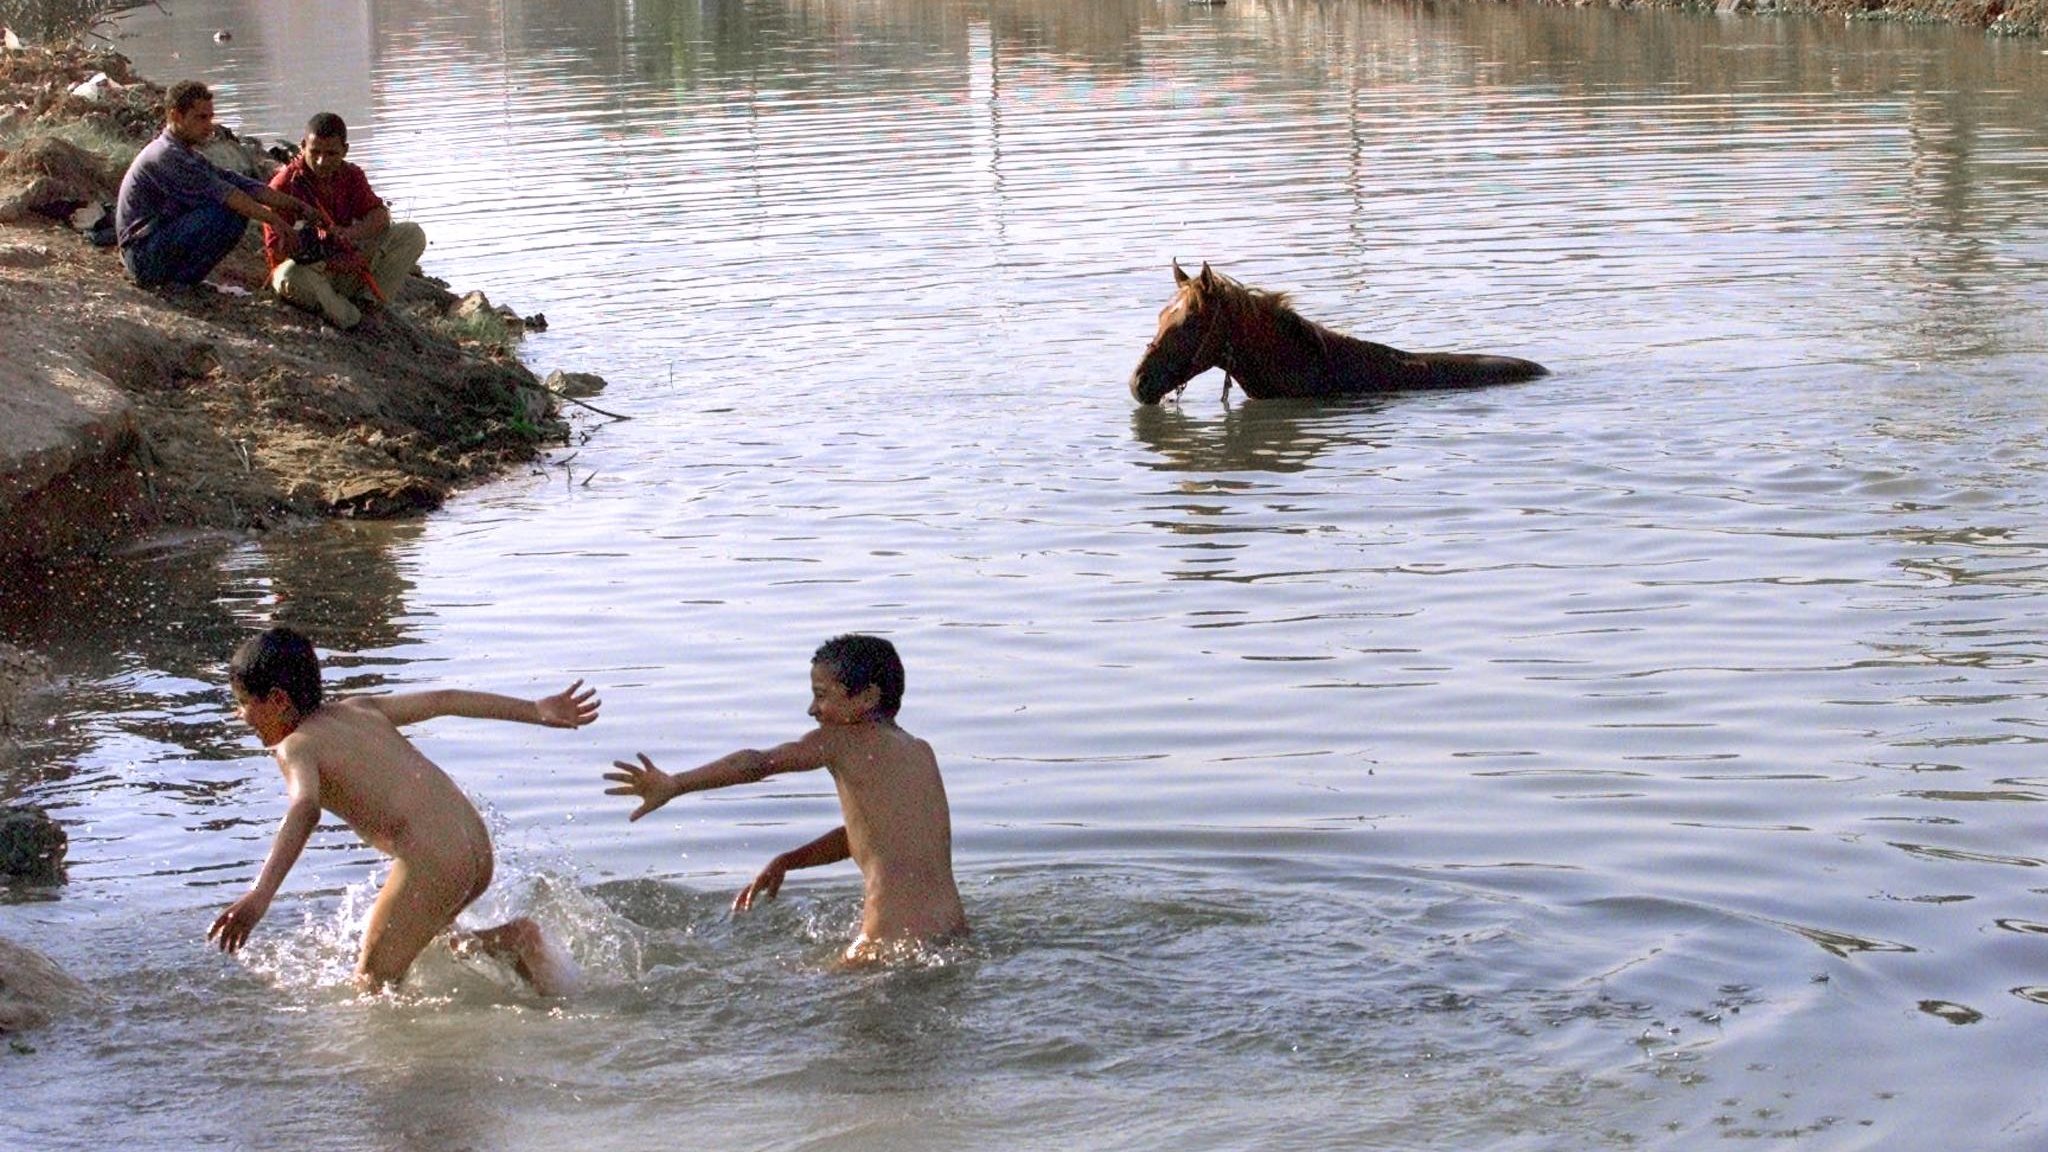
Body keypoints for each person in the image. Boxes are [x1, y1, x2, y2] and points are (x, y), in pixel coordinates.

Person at [209, 626, 599, 996]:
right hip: (474, 845)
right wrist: (534, 708)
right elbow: (445, 701)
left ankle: (412, 1061)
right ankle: (518, 950)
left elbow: (305, 807)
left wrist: (260, 895)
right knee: (435, 944)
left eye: (244, 703)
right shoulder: (359, 709)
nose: (239, 716)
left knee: (371, 983)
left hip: (433, 859)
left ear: (278, 700)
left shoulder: (296, 746)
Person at [605, 634, 967, 962]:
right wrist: (790, 860)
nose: (812, 710)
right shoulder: (919, 751)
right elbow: (881, 834)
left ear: (868, 697)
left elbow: (757, 763)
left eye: (822, 695)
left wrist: (676, 784)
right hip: (951, 937)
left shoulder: (838, 741)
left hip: (887, 945)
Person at [115, 80, 311, 288]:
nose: (209, 126)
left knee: (233, 210)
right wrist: (275, 221)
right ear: (175, 116)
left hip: (154, 244)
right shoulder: (167, 155)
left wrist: (300, 207)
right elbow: (230, 196)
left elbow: (241, 184)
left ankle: (184, 280)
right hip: (143, 254)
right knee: (226, 212)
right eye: (200, 118)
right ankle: (178, 282)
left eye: (210, 118)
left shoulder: (185, 153)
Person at [261, 112, 428, 330]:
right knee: (287, 277)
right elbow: (278, 251)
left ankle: (368, 304)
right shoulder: (283, 186)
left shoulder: (351, 175)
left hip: (348, 266)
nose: (322, 161)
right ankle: (353, 318)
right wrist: (328, 259)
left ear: (345, 151)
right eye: (315, 152)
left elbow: (379, 216)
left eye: (331, 154)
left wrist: (351, 235)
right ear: (303, 146)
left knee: (411, 234)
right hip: (310, 273)